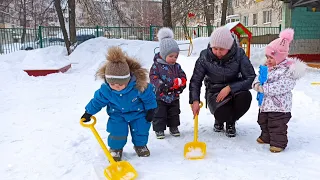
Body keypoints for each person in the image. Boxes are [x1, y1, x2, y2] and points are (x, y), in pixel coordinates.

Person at [81, 47, 157, 161]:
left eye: (120, 84)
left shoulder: (139, 86)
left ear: (128, 79)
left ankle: (140, 145)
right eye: (112, 83)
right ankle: (116, 149)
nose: (116, 86)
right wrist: (88, 112)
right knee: (117, 131)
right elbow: (97, 101)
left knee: (141, 129)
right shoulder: (106, 90)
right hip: (117, 114)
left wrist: (151, 110)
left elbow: (149, 97)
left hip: (138, 113)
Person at [189, 26, 256, 137]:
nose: (218, 52)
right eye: (215, 48)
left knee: (245, 97)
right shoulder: (204, 56)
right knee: (222, 113)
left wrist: (230, 87)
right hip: (214, 92)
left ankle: (231, 122)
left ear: (229, 47)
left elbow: (251, 78)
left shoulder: (239, 54)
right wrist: (194, 100)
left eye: (222, 49)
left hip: (235, 91)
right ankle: (219, 119)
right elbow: (196, 80)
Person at [252, 28, 307, 153]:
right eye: (267, 56)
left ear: (281, 56)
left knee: (276, 125)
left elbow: (282, 86)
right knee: (263, 121)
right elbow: (259, 77)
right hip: (265, 105)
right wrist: (256, 84)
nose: (268, 60)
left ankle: (278, 143)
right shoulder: (267, 68)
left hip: (279, 106)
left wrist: (264, 88)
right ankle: (266, 137)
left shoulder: (288, 71)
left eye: (271, 57)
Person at [149, 27, 187, 139]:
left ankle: (173, 127)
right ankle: (159, 129)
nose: (174, 59)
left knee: (174, 113)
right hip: (160, 95)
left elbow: (182, 75)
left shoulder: (177, 66)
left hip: (174, 95)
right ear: (163, 54)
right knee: (159, 113)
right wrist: (161, 85)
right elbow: (153, 77)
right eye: (171, 56)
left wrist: (182, 84)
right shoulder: (156, 65)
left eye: (176, 56)